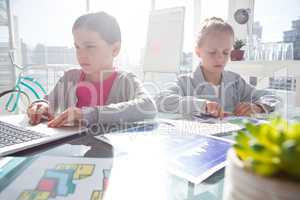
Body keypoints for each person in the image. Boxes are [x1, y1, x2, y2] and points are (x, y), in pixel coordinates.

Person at [27, 11, 157, 127]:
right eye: (77, 47)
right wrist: (40, 106)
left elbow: (148, 106)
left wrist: (88, 114)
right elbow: (48, 101)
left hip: (111, 151)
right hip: (70, 151)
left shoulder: (125, 80)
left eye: (90, 46)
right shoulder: (69, 77)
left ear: (115, 49)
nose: (81, 55)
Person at [156, 17, 280, 117]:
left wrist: (258, 107)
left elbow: (273, 98)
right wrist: (202, 105)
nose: (220, 58)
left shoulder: (236, 82)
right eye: (212, 52)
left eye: (226, 52)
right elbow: (159, 100)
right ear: (198, 52)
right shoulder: (185, 82)